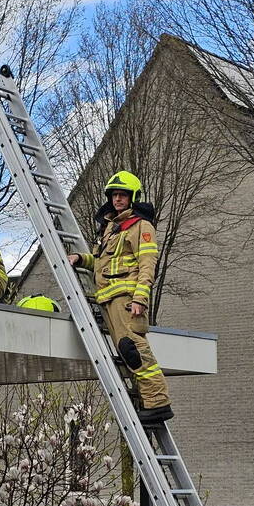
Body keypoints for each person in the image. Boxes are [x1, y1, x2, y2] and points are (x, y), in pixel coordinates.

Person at [67, 170, 172, 424]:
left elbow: (148, 265)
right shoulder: (110, 229)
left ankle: (158, 402)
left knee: (133, 348)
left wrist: (140, 299)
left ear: (132, 197)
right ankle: (148, 402)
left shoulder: (140, 226)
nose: (117, 199)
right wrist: (81, 259)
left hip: (126, 298)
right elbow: (103, 262)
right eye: (114, 195)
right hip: (108, 299)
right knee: (127, 353)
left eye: (122, 195)